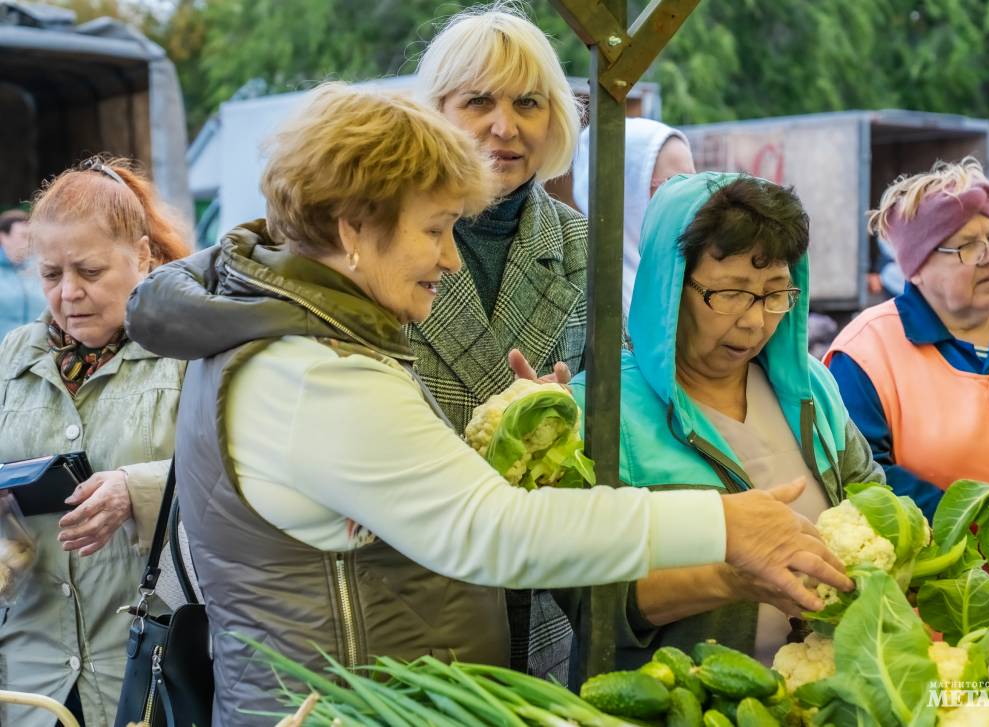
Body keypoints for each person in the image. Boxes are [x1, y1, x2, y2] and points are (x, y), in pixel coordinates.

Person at [124, 85, 851, 726]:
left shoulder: (286, 336)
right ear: (352, 226)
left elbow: (400, 500)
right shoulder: (317, 374)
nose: (447, 258)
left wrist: (504, 442)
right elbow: (491, 530)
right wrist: (722, 522)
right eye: (435, 229)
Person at [567, 172, 881, 667]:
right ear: (669, 288)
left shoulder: (811, 390)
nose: (754, 321)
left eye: (775, 293)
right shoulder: (602, 410)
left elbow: (874, 503)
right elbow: (588, 599)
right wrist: (729, 578)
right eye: (730, 293)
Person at [412, 5, 588, 677]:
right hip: (416, 577)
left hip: (538, 588)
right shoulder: (384, 236)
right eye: (478, 101)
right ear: (435, 111)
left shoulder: (580, 245)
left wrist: (561, 422)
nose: (505, 126)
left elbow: (612, 410)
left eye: (529, 102)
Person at [0, 158, 190, 727]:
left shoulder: (189, 353)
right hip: (31, 677)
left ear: (144, 256)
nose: (70, 293)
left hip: (147, 667)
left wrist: (140, 489)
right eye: (52, 274)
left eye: (89, 270)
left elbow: (242, 476)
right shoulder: (11, 358)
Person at [826, 158, 989, 519]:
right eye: (967, 246)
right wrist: (972, 527)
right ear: (916, 269)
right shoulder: (864, 355)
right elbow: (860, 475)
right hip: (949, 570)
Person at [570, 117, 696, 318]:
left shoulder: (687, 268)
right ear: (628, 189)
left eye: (694, 182)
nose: (691, 198)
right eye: (675, 184)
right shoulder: (585, 289)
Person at [0, 208, 49, 338]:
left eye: (31, 237)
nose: (29, 243)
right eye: (23, 236)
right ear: (3, 237)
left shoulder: (42, 268)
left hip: (34, 352)